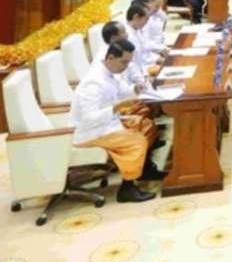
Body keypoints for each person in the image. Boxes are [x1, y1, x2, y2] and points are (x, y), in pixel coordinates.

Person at [70, 41, 164, 203]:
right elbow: (88, 119)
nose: (126, 67)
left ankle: (145, 169)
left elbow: (121, 92)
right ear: (111, 58)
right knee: (135, 141)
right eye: (123, 62)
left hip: (109, 123)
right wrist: (116, 108)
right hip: (91, 132)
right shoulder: (93, 83)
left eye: (128, 63)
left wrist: (135, 89)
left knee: (146, 125)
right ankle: (127, 188)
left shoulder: (110, 73)